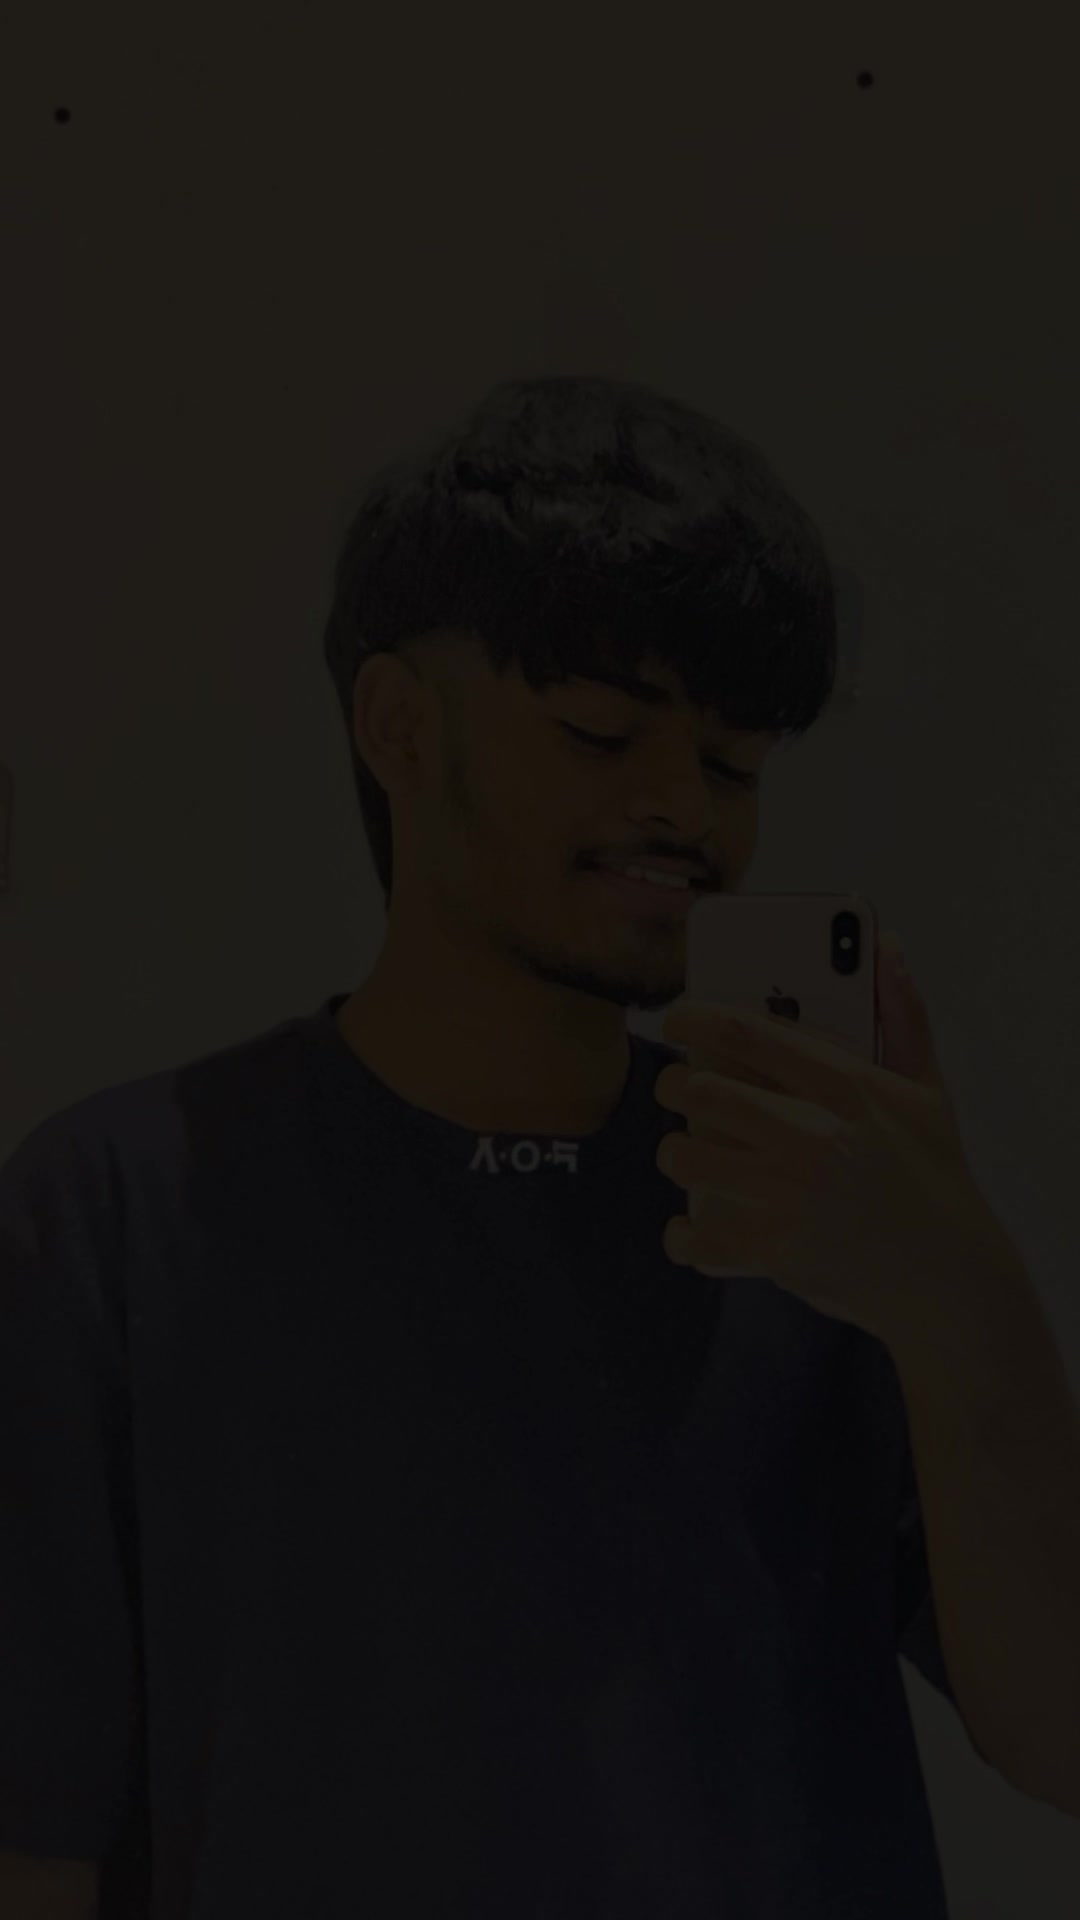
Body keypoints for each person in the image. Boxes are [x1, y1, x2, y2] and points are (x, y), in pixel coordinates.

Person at [1, 376, 978, 1916]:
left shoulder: (810, 1201)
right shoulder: (118, 1213)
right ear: (398, 727)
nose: (683, 809)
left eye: (733, 766)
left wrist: (960, 1287)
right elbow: (37, 1830)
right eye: (602, 733)